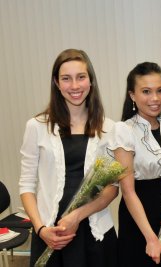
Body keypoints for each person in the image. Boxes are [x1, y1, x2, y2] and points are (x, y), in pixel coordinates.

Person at [19, 48, 118, 267]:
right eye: (66, 78)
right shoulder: (36, 127)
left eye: (81, 77)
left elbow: (112, 188)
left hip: (95, 232)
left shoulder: (109, 129)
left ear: (90, 81)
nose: (74, 86)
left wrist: (77, 216)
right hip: (50, 234)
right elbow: (26, 186)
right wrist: (41, 229)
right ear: (56, 82)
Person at [107, 62, 161, 267]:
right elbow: (128, 192)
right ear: (132, 95)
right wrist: (151, 238)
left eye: (160, 90)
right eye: (146, 91)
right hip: (138, 218)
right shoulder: (124, 130)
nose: (155, 98)